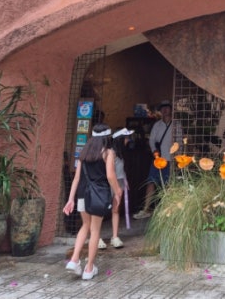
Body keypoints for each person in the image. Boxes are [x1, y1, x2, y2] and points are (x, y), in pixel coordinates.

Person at [63, 124, 122, 280]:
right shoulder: (108, 153)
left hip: (83, 193)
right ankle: (89, 268)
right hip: (98, 195)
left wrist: (70, 199)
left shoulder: (84, 153)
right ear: (107, 138)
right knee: (95, 230)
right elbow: (110, 175)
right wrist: (118, 192)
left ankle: (74, 260)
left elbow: (77, 178)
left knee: (85, 225)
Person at [133, 100, 181, 219]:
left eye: (167, 107)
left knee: (168, 184)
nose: (164, 110)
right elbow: (151, 140)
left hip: (170, 159)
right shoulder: (157, 125)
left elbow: (179, 142)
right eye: (162, 108)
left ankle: (167, 210)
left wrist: (176, 157)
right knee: (151, 182)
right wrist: (154, 150)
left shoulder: (176, 125)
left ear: (171, 109)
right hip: (158, 159)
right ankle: (146, 209)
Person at [98, 128, 133, 250]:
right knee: (101, 211)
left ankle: (115, 236)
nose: (128, 140)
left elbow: (120, 170)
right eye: (126, 138)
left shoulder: (121, 153)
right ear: (120, 139)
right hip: (108, 184)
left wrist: (124, 182)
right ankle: (97, 237)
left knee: (116, 209)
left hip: (120, 182)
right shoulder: (108, 152)